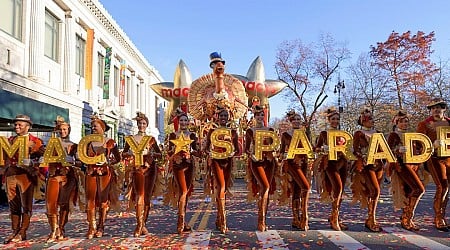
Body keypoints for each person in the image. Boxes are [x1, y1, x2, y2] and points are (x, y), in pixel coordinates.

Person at [3, 114, 45, 244]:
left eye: (20, 124)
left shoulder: (36, 141)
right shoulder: (10, 140)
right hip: (11, 175)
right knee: (13, 205)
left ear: (28, 127)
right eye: (15, 124)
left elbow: (44, 159)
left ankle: (23, 232)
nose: (17, 127)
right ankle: (15, 231)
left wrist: (32, 162)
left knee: (26, 205)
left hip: (26, 176)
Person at [122, 112, 162, 237]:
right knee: (139, 195)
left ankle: (143, 223)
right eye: (140, 123)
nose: (142, 125)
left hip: (150, 168)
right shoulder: (131, 139)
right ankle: (139, 225)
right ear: (137, 124)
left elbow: (159, 154)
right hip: (137, 168)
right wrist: (131, 154)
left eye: (144, 123)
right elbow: (123, 153)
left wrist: (150, 154)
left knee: (147, 197)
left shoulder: (151, 139)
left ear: (147, 125)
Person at [84, 114, 121, 239]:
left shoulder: (110, 142)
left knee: (103, 200)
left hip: (105, 173)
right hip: (90, 172)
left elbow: (118, 158)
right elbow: (81, 157)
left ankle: (101, 226)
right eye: (92, 126)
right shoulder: (87, 142)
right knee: (90, 200)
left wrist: (108, 162)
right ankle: (92, 226)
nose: (93, 128)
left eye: (96, 126)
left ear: (103, 128)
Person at [387, 110, 425, 231]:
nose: (404, 124)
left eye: (406, 121)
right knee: (419, 189)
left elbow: (420, 148)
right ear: (396, 123)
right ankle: (407, 217)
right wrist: (397, 151)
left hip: (413, 165)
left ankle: (406, 219)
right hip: (401, 165)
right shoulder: (393, 135)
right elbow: (387, 151)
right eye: (402, 121)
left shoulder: (412, 135)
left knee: (409, 191)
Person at [204, 106, 240, 233]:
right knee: (222, 186)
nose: (223, 118)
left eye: (225, 116)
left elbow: (238, 150)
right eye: (221, 116)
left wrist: (232, 153)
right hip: (216, 161)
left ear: (228, 117)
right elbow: (206, 148)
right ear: (217, 117)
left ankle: (219, 217)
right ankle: (224, 221)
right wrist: (211, 153)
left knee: (222, 189)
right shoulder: (212, 131)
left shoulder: (233, 132)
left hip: (228, 162)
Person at [416, 98, 450, 231]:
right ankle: (438, 218)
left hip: (448, 158)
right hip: (434, 158)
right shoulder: (424, 124)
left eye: (439, 107)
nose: (436, 110)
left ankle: (442, 215)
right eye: (433, 108)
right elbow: (418, 143)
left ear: (444, 109)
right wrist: (432, 144)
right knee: (442, 185)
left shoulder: (449, 122)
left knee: (446, 188)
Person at [45, 116, 79, 242]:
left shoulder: (74, 146)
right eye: (61, 130)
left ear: (69, 130)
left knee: (64, 204)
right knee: (51, 204)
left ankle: (61, 228)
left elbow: (81, 162)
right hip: (54, 176)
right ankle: (53, 229)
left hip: (67, 177)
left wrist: (73, 162)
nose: (63, 132)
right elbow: (44, 159)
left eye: (65, 129)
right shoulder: (51, 145)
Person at [314, 108, 348, 231]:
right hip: (330, 163)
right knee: (337, 188)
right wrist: (324, 148)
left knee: (341, 190)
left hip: (343, 163)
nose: (335, 121)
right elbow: (316, 148)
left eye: (337, 119)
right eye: (333, 119)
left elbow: (349, 149)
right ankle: (334, 218)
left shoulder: (344, 134)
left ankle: (336, 217)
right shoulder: (324, 133)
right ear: (329, 120)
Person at [350, 107, 384, 232]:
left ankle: (370, 218)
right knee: (375, 190)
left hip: (378, 164)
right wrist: (362, 155)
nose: (371, 120)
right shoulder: (359, 133)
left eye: (372, 118)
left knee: (374, 193)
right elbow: (355, 149)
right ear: (363, 121)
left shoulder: (378, 132)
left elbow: (383, 148)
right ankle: (371, 219)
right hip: (366, 165)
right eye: (369, 119)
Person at [245, 105, 277, 232]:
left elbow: (275, 145)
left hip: (269, 162)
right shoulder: (250, 131)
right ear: (254, 117)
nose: (260, 117)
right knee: (265, 186)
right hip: (256, 161)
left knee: (266, 189)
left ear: (265, 116)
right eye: (257, 115)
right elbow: (247, 148)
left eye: (262, 115)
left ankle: (263, 218)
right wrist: (251, 155)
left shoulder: (270, 130)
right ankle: (261, 220)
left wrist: (274, 151)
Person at [166, 112, 199, 234]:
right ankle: (180, 222)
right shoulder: (173, 135)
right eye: (181, 121)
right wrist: (175, 155)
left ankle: (183, 221)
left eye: (186, 120)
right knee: (183, 191)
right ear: (178, 122)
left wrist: (192, 152)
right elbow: (169, 152)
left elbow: (197, 151)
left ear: (188, 122)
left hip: (189, 165)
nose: (183, 123)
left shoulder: (192, 136)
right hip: (178, 165)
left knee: (185, 193)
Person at [279, 110, 310, 231]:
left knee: (297, 191)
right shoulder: (286, 135)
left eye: (299, 119)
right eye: (295, 119)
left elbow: (310, 149)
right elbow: (281, 152)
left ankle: (295, 218)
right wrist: (283, 155)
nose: (297, 121)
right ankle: (304, 217)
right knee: (306, 187)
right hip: (292, 164)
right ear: (291, 121)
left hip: (303, 163)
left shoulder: (304, 134)